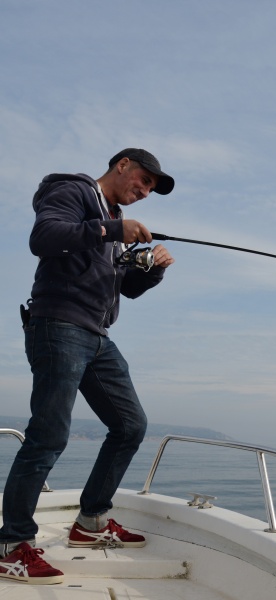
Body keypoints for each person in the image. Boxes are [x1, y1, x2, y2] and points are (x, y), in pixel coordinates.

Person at [0, 149, 176, 585]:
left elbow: (124, 288)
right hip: (57, 325)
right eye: (144, 179)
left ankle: (90, 522)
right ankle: (10, 546)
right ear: (122, 165)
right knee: (48, 435)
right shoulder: (72, 190)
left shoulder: (111, 221)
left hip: (97, 337)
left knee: (131, 425)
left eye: (152, 188)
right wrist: (112, 228)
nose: (145, 190)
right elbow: (45, 237)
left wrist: (150, 270)